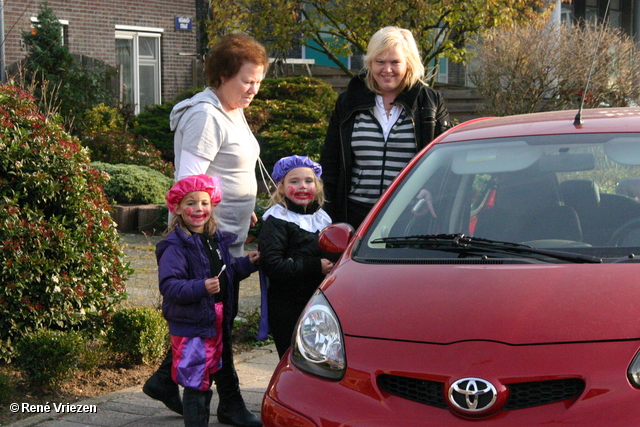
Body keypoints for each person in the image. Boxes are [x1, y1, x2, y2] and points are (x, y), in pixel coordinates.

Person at [143, 33, 268, 427]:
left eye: (258, 81)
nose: (253, 89)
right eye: (247, 80)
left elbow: (230, 169)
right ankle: (228, 402)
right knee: (217, 320)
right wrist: (207, 227)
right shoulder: (205, 116)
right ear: (223, 75)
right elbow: (190, 184)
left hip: (227, 231)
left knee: (210, 320)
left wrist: (244, 207)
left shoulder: (232, 109)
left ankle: (165, 380)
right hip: (203, 242)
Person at [320, 26, 451, 229]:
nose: (386, 70)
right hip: (355, 214)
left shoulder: (430, 102)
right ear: (369, 63)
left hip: (409, 214)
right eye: (379, 62)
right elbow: (330, 161)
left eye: (395, 62)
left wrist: (431, 189)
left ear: (409, 63)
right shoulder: (348, 102)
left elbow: (446, 159)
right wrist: (327, 213)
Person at [158, 175, 260, 427]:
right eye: (191, 203)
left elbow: (226, 271)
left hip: (214, 318)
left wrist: (247, 264)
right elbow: (170, 286)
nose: (198, 209)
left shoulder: (215, 239)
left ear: (212, 205)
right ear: (178, 208)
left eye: (204, 203)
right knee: (196, 379)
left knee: (208, 373)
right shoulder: (175, 246)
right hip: (192, 323)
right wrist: (201, 287)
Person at [257, 155, 334, 358]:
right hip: (288, 305)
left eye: (308, 181)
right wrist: (314, 266)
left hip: (318, 302)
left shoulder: (322, 218)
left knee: (320, 357)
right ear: (281, 187)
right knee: (294, 357)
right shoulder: (277, 220)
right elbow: (272, 263)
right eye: (294, 181)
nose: (302, 186)